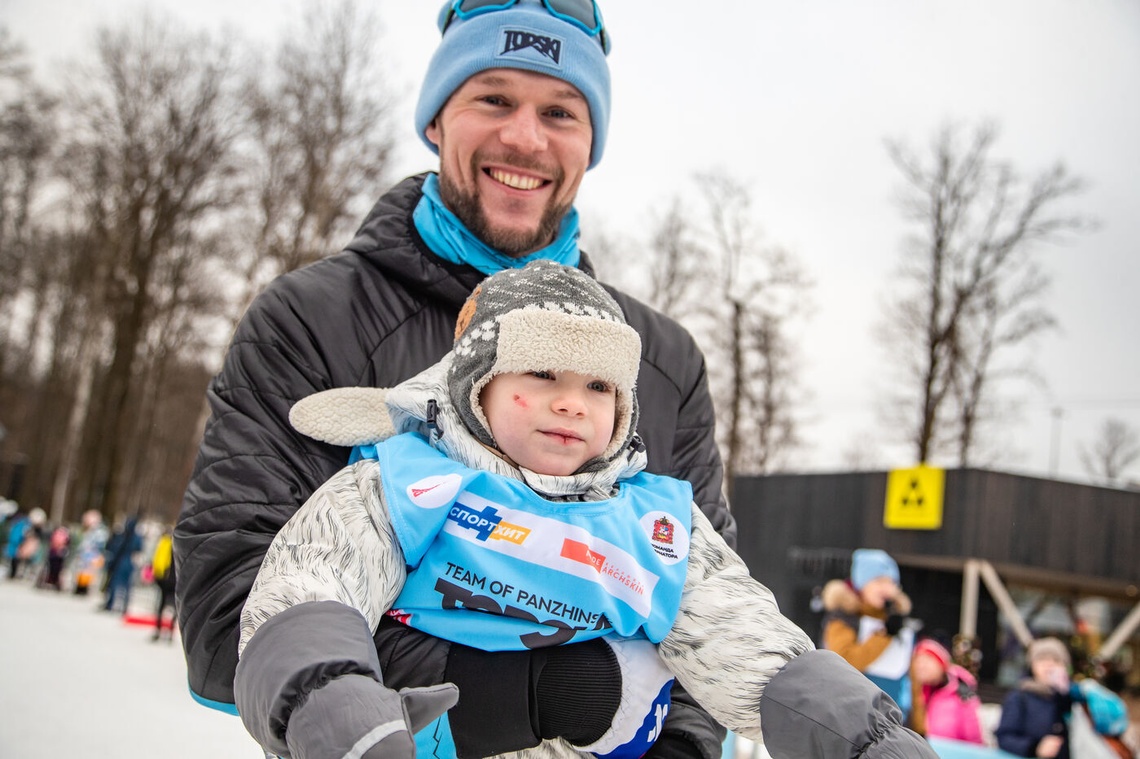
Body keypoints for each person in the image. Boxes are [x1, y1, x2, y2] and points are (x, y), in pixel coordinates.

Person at [175, 3, 932, 758]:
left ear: (592, 140)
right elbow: (228, 623)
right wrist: (548, 693)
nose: (526, 137)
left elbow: (709, 616)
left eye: (561, 110)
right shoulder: (312, 319)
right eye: (494, 98)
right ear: (437, 117)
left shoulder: (659, 364)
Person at [234, 261, 938, 759]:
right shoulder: (406, 483)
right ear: (477, 384)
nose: (572, 401)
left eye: (599, 385)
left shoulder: (654, 525)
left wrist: (865, 736)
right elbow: (309, 584)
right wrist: (332, 705)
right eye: (542, 374)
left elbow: (740, 635)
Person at [995, 637, 1133, 759]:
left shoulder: (1072, 697)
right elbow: (1004, 737)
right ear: (1032, 665)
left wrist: (1078, 691)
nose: (1049, 664)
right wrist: (1035, 747)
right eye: (1042, 659)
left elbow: (1111, 720)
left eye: (1056, 660)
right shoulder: (1020, 696)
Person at [820, 548, 918, 719]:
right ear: (862, 583)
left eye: (891, 582)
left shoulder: (898, 620)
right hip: (849, 713)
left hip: (891, 716)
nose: (886, 588)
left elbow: (911, 678)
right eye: (879, 581)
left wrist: (919, 726)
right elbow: (845, 660)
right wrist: (884, 635)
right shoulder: (844, 618)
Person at [909, 637, 985, 744]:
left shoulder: (962, 694)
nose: (921, 666)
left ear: (940, 663)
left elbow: (975, 739)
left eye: (927, 661)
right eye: (918, 661)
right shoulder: (916, 692)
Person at [102, 516, 142, 614]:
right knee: (124, 586)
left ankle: (112, 604)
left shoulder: (123, 535)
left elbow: (114, 547)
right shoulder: (134, 537)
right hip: (126, 562)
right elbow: (138, 549)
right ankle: (122, 606)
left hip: (122, 562)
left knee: (116, 584)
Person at [71, 509, 108, 596]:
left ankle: (85, 588)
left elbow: (100, 544)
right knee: (80, 571)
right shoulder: (84, 530)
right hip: (84, 555)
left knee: (88, 572)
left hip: (92, 555)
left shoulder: (99, 531)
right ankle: (79, 587)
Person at [150, 529, 177, 642]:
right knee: (174, 607)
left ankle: (158, 630)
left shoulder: (165, 541)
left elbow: (158, 560)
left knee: (161, 605)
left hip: (165, 579)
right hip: (175, 580)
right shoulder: (180, 546)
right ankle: (169, 632)